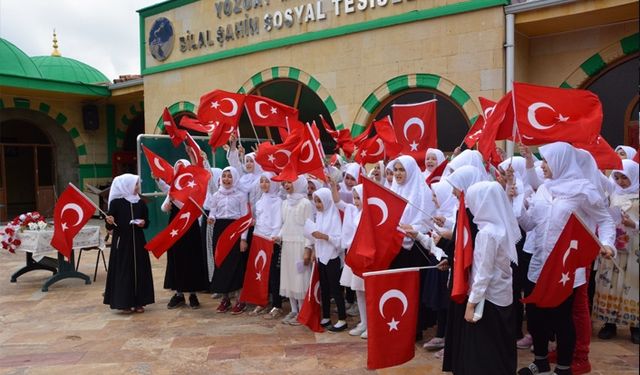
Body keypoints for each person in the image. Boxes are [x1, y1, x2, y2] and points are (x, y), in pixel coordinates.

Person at [517, 142, 615, 375]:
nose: (543, 164)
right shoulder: (543, 189)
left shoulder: (582, 190)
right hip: (539, 264)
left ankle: (563, 366)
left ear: (561, 162)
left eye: (547, 160)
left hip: (565, 267)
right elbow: (529, 224)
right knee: (536, 316)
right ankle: (540, 361)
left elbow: (605, 220)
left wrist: (608, 243)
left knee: (562, 318)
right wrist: (516, 198)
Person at [457, 181, 520, 375]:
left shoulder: (486, 233)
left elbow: (483, 272)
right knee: (501, 344)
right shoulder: (501, 226)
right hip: (503, 294)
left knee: (486, 351)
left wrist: (471, 302)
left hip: (489, 298)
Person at [593, 159, 639, 344]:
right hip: (612, 246)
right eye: (617, 177)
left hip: (635, 247)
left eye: (625, 178)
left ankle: (635, 325)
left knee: (632, 284)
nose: (620, 182)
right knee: (609, 282)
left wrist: (633, 224)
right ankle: (609, 323)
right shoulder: (610, 194)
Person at [103, 174, 154, 313]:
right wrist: (109, 222)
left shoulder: (140, 202)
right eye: (135, 184)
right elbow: (110, 227)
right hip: (122, 242)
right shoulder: (116, 203)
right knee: (124, 270)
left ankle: (139, 302)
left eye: (138, 184)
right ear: (126, 185)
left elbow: (147, 222)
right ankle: (124, 302)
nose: (138, 187)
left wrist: (143, 223)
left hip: (138, 241)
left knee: (139, 269)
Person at [162, 160, 209, 309]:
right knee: (176, 258)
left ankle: (192, 294)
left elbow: (198, 205)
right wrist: (168, 205)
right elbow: (164, 207)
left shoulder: (193, 187)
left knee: (191, 259)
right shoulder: (172, 188)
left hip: (190, 228)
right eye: (177, 168)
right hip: (175, 228)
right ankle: (179, 294)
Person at [206, 166, 250, 314]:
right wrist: (211, 218)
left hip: (235, 230)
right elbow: (213, 211)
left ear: (235, 178)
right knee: (221, 264)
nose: (226, 179)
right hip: (219, 231)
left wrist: (243, 239)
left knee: (235, 265)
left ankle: (240, 300)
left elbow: (244, 218)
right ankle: (225, 299)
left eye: (229, 176)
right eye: (224, 176)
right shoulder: (216, 194)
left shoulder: (241, 195)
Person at [332, 181, 368, 338]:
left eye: (358, 198)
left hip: (364, 257)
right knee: (358, 290)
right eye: (354, 198)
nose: (355, 201)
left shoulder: (370, 213)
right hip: (353, 254)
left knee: (366, 292)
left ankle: (370, 324)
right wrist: (333, 187)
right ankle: (363, 321)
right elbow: (338, 202)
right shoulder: (353, 211)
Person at [277, 175, 313, 325]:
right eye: (285, 182)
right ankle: (293, 310)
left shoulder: (305, 203)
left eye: (290, 182)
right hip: (287, 244)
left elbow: (309, 227)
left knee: (300, 279)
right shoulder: (285, 203)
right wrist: (278, 236)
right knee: (289, 277)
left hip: (299, 245)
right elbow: (285, 224)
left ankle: (303, 311)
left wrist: (307, 248)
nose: (287, 185)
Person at [311, 187, 347, 332]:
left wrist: (325, 236)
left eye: (319, 201)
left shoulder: (334, 216)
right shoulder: (319, 215)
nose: (317, 205)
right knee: (324, 288)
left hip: (332, 256)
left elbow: (339, 241)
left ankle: (342, 319)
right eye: (315, 201)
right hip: (321, 256)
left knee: (336, 289)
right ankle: (325, 315)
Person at [249, 172, 284, 318]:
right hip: (259, 239)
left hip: (272, 241)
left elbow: (279, 222)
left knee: (274, 275)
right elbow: (259, 219)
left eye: (267, 181)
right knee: (261, 272)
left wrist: (274, 238)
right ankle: (262, 301)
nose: (264, 184)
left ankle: (277, 305)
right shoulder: (259, 201)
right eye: (262, 181)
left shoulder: (279, 201)